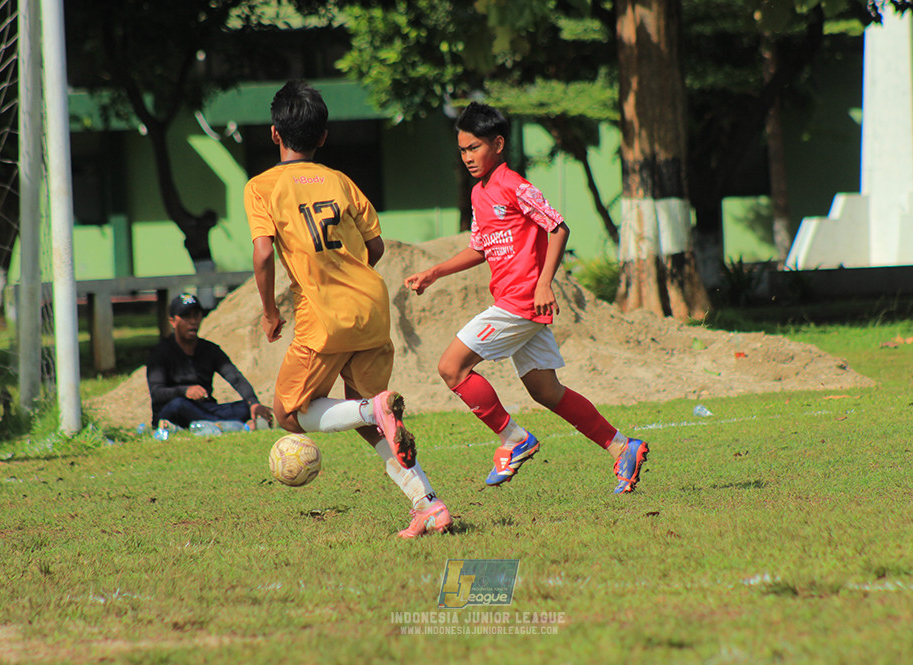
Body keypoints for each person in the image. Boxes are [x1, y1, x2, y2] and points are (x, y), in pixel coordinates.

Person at [404, 102, 650, 494]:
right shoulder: (479, 192)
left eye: (475, 148)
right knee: (546, 392)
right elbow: (480, 247)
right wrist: (435, 272)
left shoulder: (515, 185)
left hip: (519, 302)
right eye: (462, 149)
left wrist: (543, 283)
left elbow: (558, 228)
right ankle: (623, 446)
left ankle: (513, 438)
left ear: (498, 144)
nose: (467, 157)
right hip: (515, 301)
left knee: (452, 367)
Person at [243, 80, 451, 538]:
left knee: (287, 413)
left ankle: (371, 408)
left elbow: (262, 254)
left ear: (275, 134)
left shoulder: (261, 187)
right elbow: (374, 246)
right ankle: (428, 505)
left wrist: (269, 313)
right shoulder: (340, 181)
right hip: (373, 308)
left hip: (324, 319)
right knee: (374, 426)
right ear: (323, 136)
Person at [146, 293, 275, 431]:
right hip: (174, 409)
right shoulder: (160, 352)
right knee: (179, 405)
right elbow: (157, 392)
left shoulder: (209, 349)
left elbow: (235, 377)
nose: (193, 321)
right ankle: (227, 425)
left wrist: (253, 403)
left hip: (204, 408)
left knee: (245, 407)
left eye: (196, 315)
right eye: (186, 316)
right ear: (172, 321)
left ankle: (215, 425)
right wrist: (185, 391)